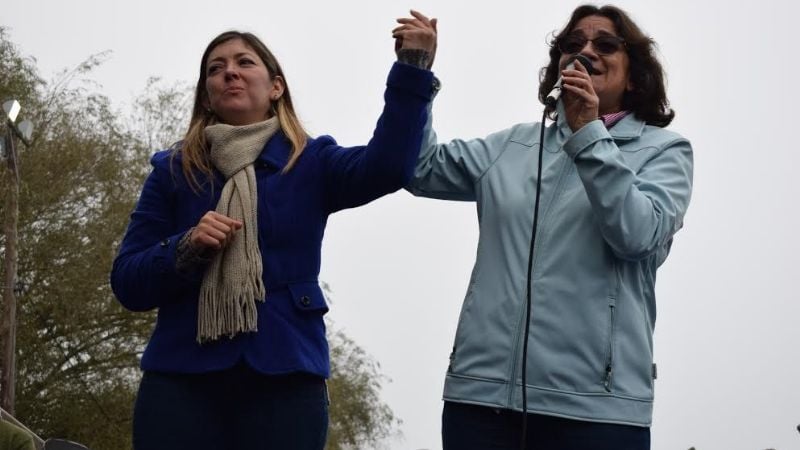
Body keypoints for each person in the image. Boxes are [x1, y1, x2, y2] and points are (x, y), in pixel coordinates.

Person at [111, 16, 437, 450]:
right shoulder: (173, 172)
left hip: (285, 376)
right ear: (206, 95)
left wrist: (412, 69)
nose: (229, 71)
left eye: (244, 62)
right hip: (181, 379)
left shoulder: (313, 161)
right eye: (215, 68)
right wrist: (184, 249)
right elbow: (128, 281)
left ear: (276, 87)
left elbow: (389, 166)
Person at [402, 5, 693, 450]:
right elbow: (419, 168)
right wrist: (415, 73)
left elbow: (636, 235)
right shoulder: (513, 146)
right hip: (481, 402)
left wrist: (588, 134)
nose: (585, 51)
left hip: (596, 411)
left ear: (634, 76)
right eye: (572, 45)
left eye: (605, 44)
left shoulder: (665, 152)